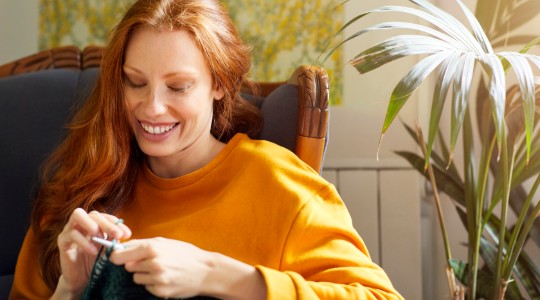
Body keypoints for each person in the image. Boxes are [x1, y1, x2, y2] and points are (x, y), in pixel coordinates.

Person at [10, 0, 403, 299]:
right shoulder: (78, 188)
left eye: (177, 87)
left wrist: (215, 274)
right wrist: (68, 292)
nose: (151, 108)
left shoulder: (278, 185)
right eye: (135, 83)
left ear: (219, 84)